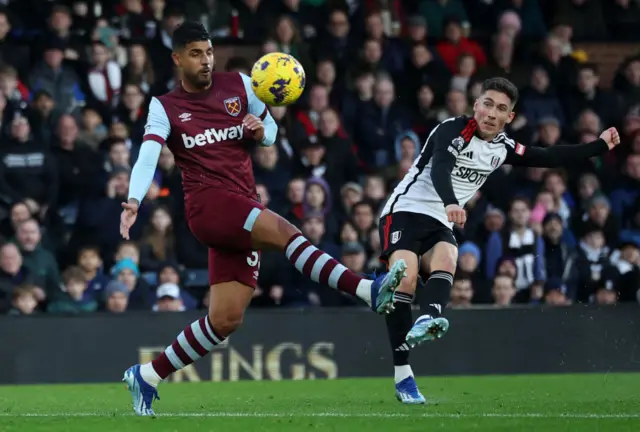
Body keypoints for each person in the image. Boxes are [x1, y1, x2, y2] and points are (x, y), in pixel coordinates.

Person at [118, 21, 407, 416]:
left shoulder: (239, 84)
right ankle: (367, 292)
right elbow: (149, 153)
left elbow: (271, 130)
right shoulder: (164, 106)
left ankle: (148, 375)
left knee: (225, 319)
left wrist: (260, 130)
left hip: (242, 202)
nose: (205, 60)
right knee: (288, 233)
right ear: (177, 58)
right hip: (208, 206)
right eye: (196, 53)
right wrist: (134, 199)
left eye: (208, 52)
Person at [378, 76, 621, 404]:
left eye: (501, 109)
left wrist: (599, 146)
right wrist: (451, 201)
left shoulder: (502, 147)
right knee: (405, 280)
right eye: (488, 104)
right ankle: (403, 375)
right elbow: (441, 169)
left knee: (448, 257)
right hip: (406, 209)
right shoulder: (452, 129)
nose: (492, 113)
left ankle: (429, 315)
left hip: (440, 220)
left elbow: (548, 156)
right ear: (476, 105)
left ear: (510, 117)